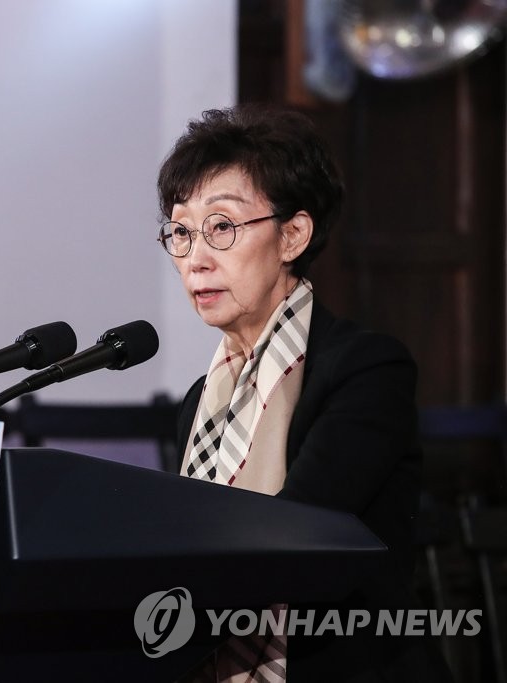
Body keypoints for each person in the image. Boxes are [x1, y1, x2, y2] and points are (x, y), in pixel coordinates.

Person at [158, 105, 451, 682]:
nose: (196, 259)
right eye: (182, 232)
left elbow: (295, 537)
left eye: (222, 227)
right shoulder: (203, 401)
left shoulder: (366, 370)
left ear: (292, 235)